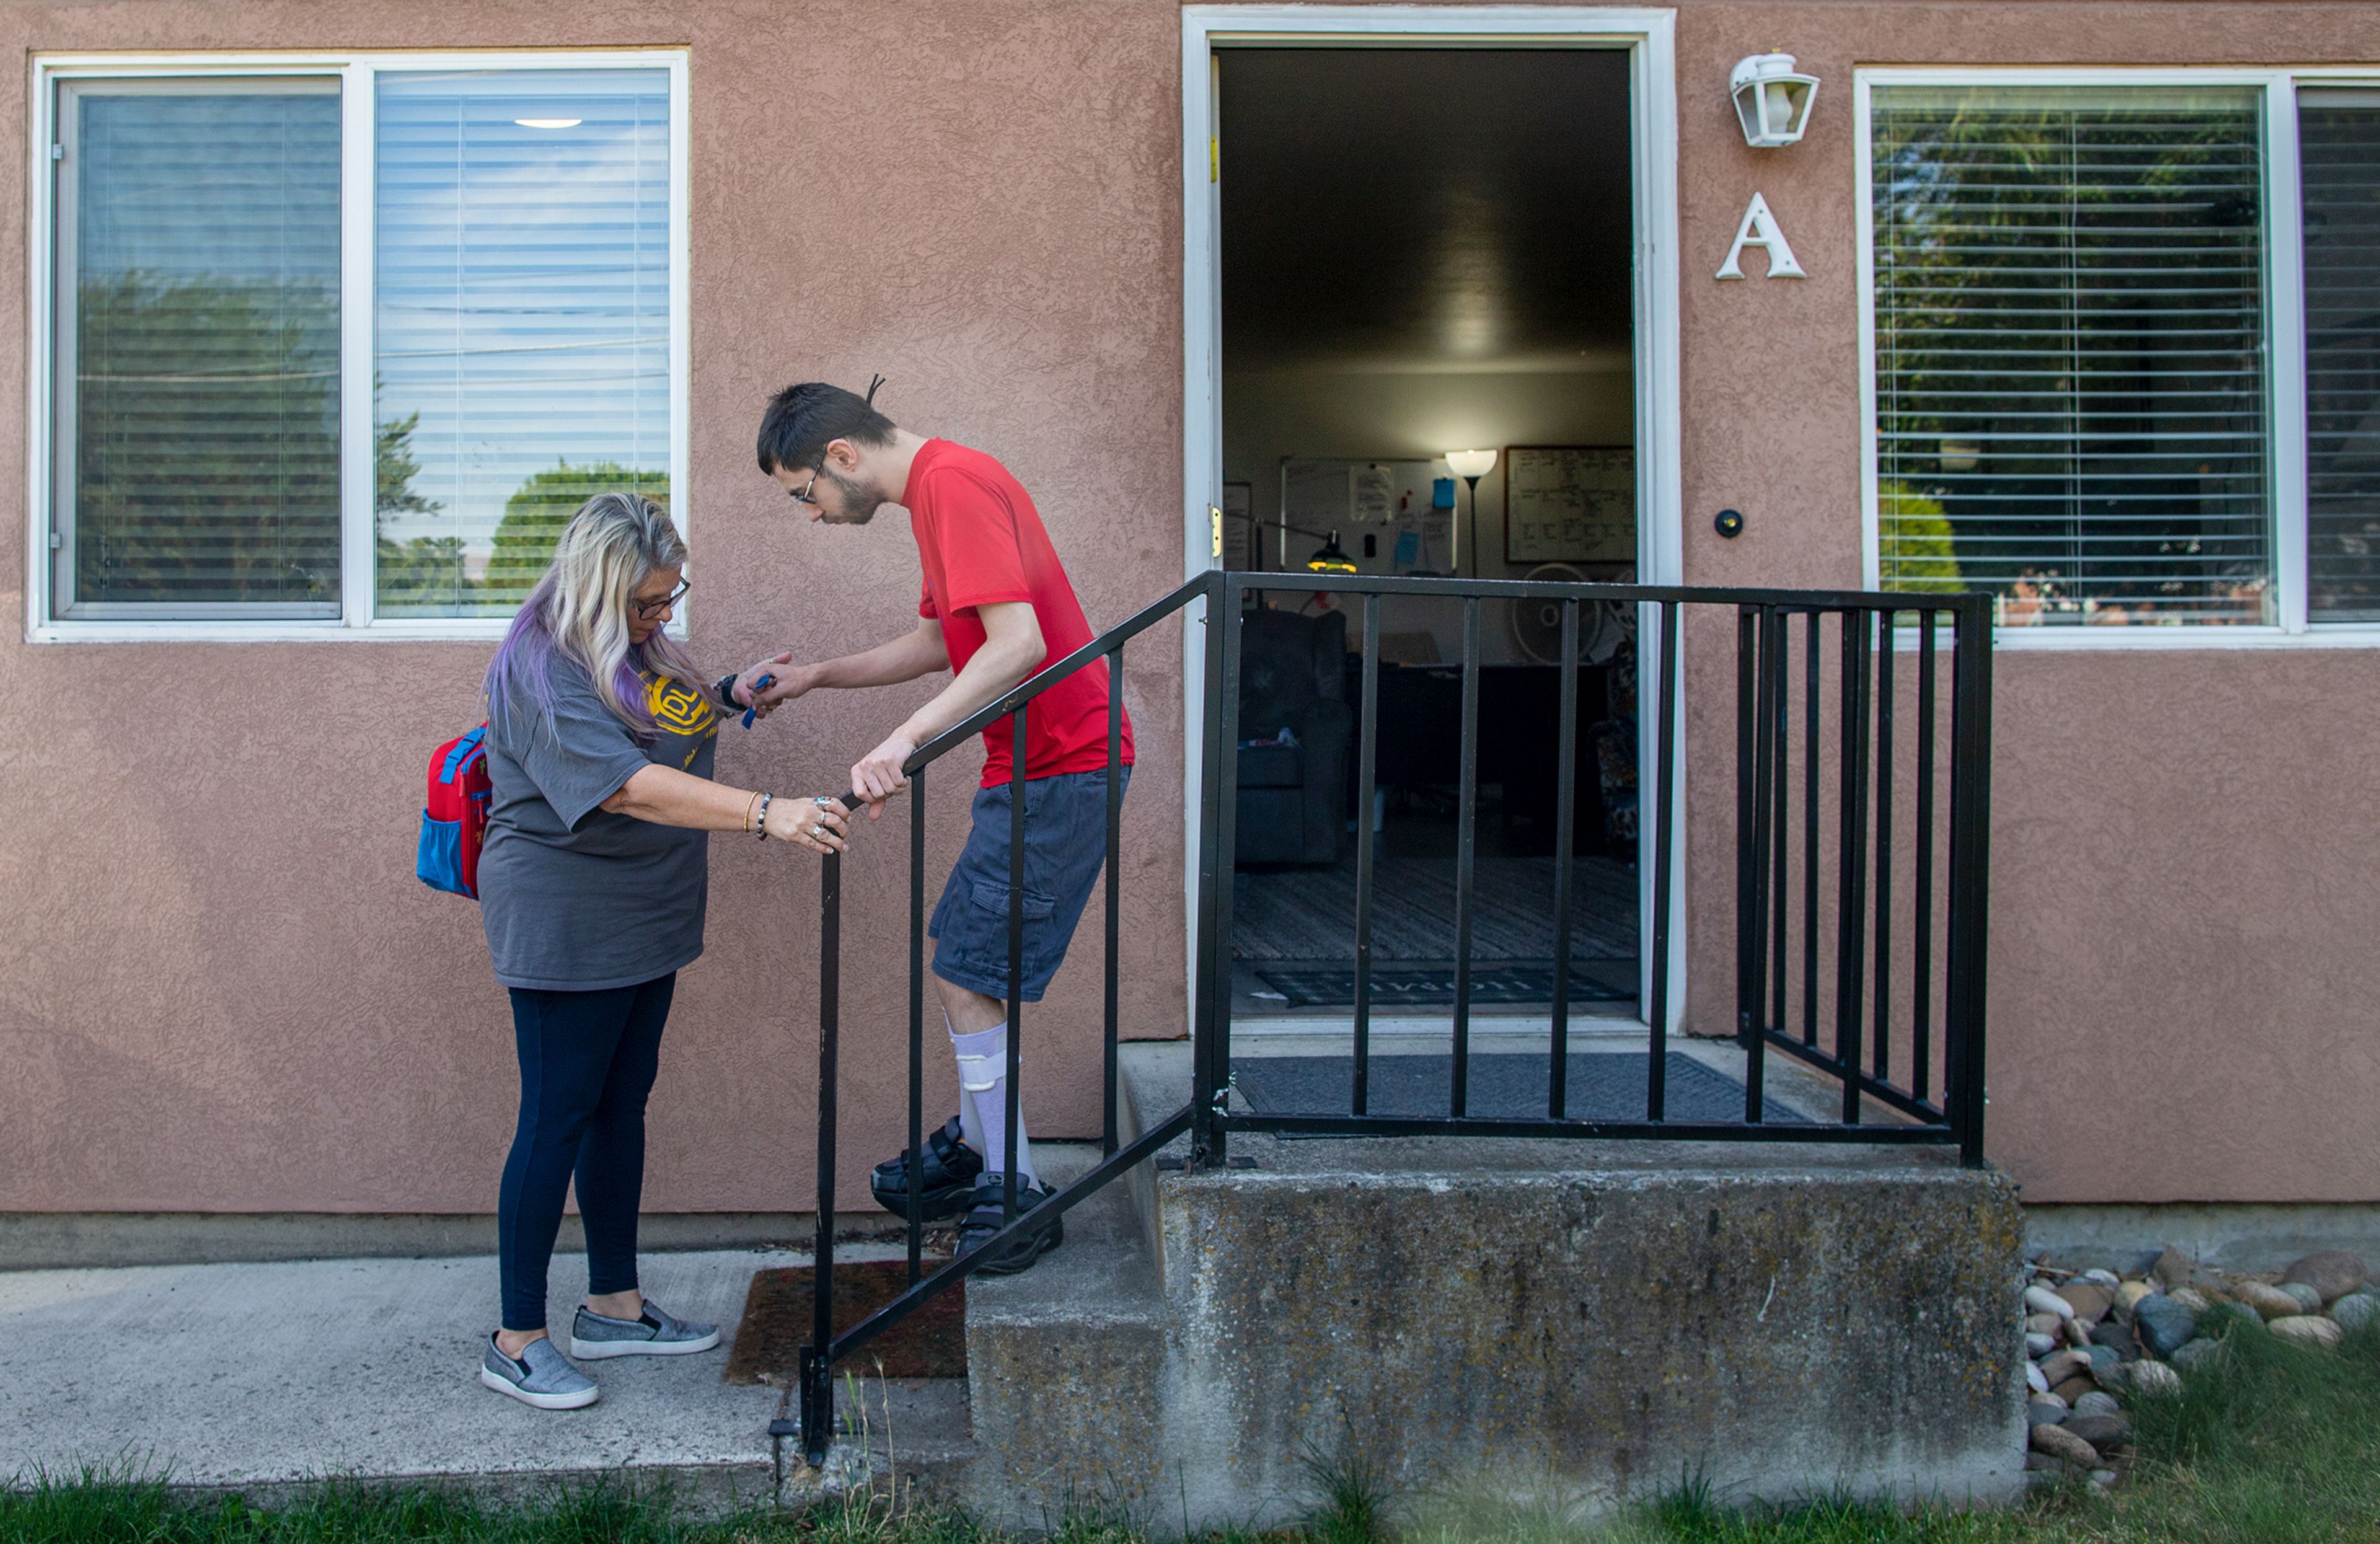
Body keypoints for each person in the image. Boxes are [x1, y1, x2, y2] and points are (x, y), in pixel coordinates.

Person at [733, 381, 1132, 1276]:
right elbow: (946, 643)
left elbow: (1019, 644)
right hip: (1031, 764)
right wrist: (819, 676)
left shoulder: (953, 484)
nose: (813, 515)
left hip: (1063, 761)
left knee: (967, 973)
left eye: (805, 494)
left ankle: (1013, 1185)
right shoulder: (938, 491)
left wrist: (906, 739)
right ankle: (981, 1141)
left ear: (842, 457)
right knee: (964, 955)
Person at [475, 492, 854, 1409]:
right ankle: (516, 1339)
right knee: (555, 1119)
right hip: (569, 922)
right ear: (600, 593)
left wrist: (727, 694)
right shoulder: (538, 664)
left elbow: (656, 722)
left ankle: (613, 1304)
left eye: (669, 598)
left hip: (649, 916)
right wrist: (771, 814)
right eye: (647, 604)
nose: (661, 617)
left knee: (620, 1110)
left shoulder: (634, 649)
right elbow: (628, 786)